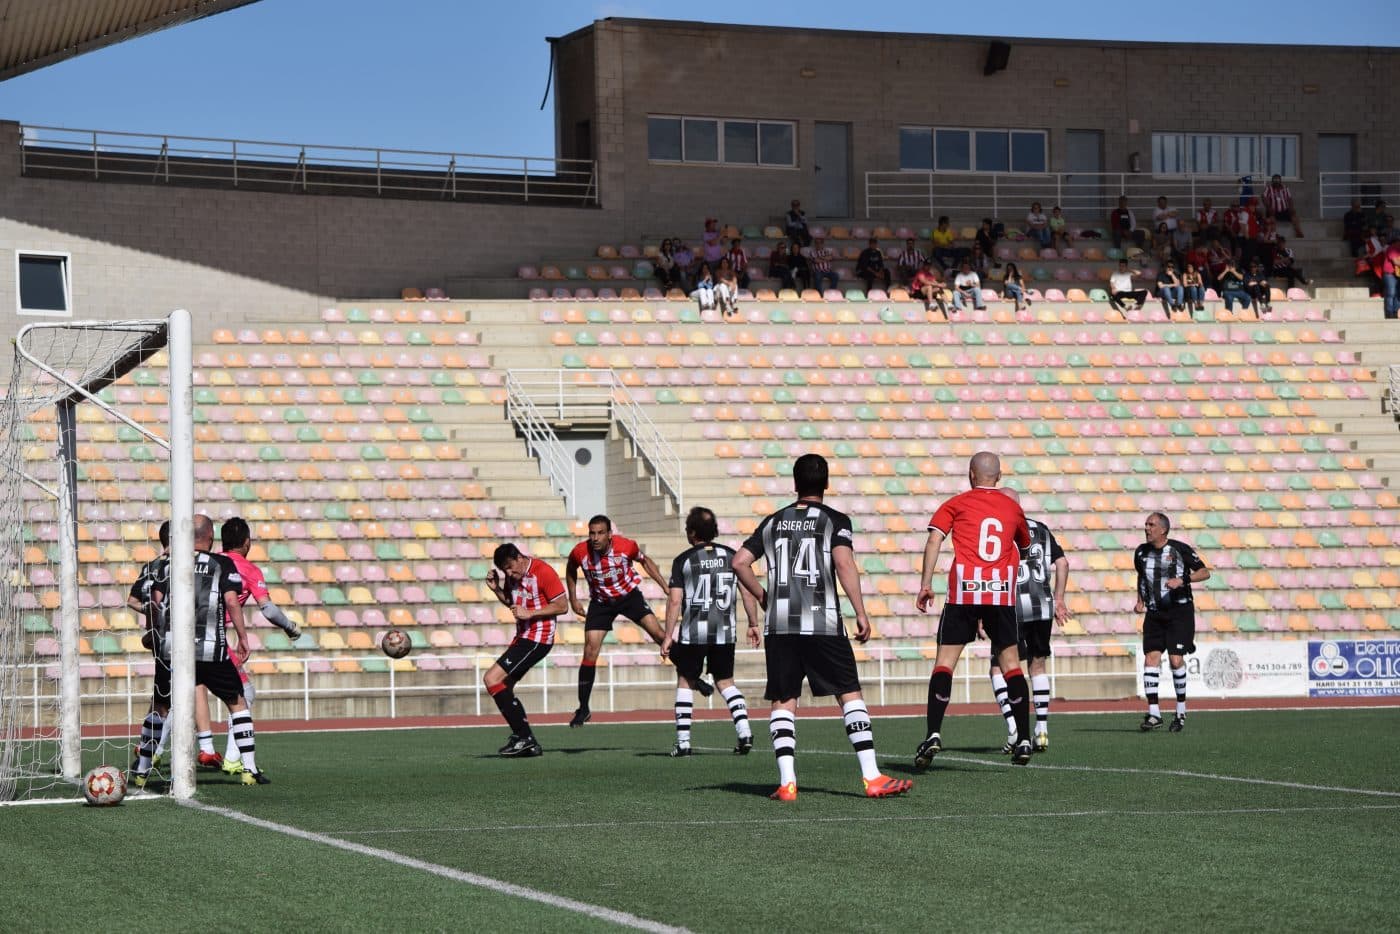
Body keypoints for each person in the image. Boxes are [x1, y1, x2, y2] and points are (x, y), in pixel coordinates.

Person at [732, 454, 911, 800]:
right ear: (826, 484)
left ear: (795, 484)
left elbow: (739, 562)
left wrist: (765, 597)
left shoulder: (773, 521)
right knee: (848, 692)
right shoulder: (834, 520)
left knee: (784, 698)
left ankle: (787, 782)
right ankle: (871, 776)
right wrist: (861, 612)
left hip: (780, 625)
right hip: (822, 621)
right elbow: (843, 563)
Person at [913, 452, 1033, 766]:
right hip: (999, 595)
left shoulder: (956, 503)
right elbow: (1024, 546)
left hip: (964, 592)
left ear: (970, 474)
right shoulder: (1013, 507)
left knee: (944, 664)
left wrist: (926, 584)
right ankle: (1023, 738)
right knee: (1012, 666)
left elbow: (934, 540)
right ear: (999, 476)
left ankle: (933, 733)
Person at [150, 514, 267, 784]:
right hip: (211, 649)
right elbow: (232, 601)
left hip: (174, 649)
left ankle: (145, 766)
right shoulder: (220, 563)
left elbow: (153, 602)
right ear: (211, 538)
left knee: (162, 705)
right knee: (238, 701)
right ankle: (247, 768)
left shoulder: (167, 564)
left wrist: (154, 633)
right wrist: (243, 637)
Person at [566, 515, 696, 727]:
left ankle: (693, 676)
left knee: (659, 635)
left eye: (600, 533)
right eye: (592, 533)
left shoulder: (626, 546)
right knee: (589, 650)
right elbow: (570, 568)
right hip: (601, 602)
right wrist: (573, 598)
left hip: (629, 597)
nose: (595, 538)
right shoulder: (581, 552)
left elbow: (646, 561)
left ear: (610, 534)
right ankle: (583, 708)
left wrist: (665, 586)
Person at [659, 506, 761, 757]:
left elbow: (674, 601)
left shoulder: (683, 560)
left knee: (685, 680)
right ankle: (745, 732)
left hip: (693, 633)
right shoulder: (732, 556)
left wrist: (668, 635)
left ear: (692, 533)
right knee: (726, 682)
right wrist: (753, 623)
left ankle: (683, 742)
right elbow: (747, 592)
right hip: (724, 632)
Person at [217, 517, 300, 777]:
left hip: (185, 635)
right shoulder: (249, 569)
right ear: (247, 542)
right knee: (244, 694)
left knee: (174, 697)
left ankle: (151, 753)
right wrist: (290, 627)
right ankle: (233, 759)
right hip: (215, 638)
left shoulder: (210, 561)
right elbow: (268, 609)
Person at [986, 488, 1067, 753]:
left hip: (1010, 607)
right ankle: (1041, 729)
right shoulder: (1041, 528)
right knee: (1038, 665)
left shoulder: (999, 529)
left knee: (999, 667)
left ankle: (1013, 728)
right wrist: (1059, 598)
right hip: (1042, 607)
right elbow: (1063, 563)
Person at [483, 543, 567, 758]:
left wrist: (530, 613)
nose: (509, 574)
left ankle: (524, 737)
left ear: (520, 557)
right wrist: (497, 589)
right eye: (505, 571)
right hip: (523, 637)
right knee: (504, 687)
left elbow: (562, 606)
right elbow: (512, 603)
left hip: (538, 638)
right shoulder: (513, 575)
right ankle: (525, 740)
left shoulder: (543, 571)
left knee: (492, 679)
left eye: (510, 568)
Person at [1134, 513, 1210, 733]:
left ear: (1163, 530)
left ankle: (1180, 711)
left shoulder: (1179, 549)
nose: (1147, 528)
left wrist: (1182, 580)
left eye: (1151, 525)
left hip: (1180, 612)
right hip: (1154, 613)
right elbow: (1141, 576)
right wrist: (1140, 600)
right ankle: (1154, 714)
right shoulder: (1141, 552)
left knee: (1176, 661)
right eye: (1146, 524)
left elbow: (1205, 572)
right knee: (1151, 659)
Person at [127, 521, 171, 786]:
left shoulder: (150, 566)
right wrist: (159, 613)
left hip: (157, 639)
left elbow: (132, 601)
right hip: (173, 640)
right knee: (174, 701)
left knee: (161, 700)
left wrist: (151, 615)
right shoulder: (175, 567)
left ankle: (146, 754)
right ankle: (153, 752)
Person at [1383, 234, 1400, 320]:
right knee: (1391, 293)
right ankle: (1389, 312)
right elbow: (1396, 262)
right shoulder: (1392, 249)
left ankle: (1396, 312)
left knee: (1398, 294)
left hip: (1398, 274)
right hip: (1390, 274)